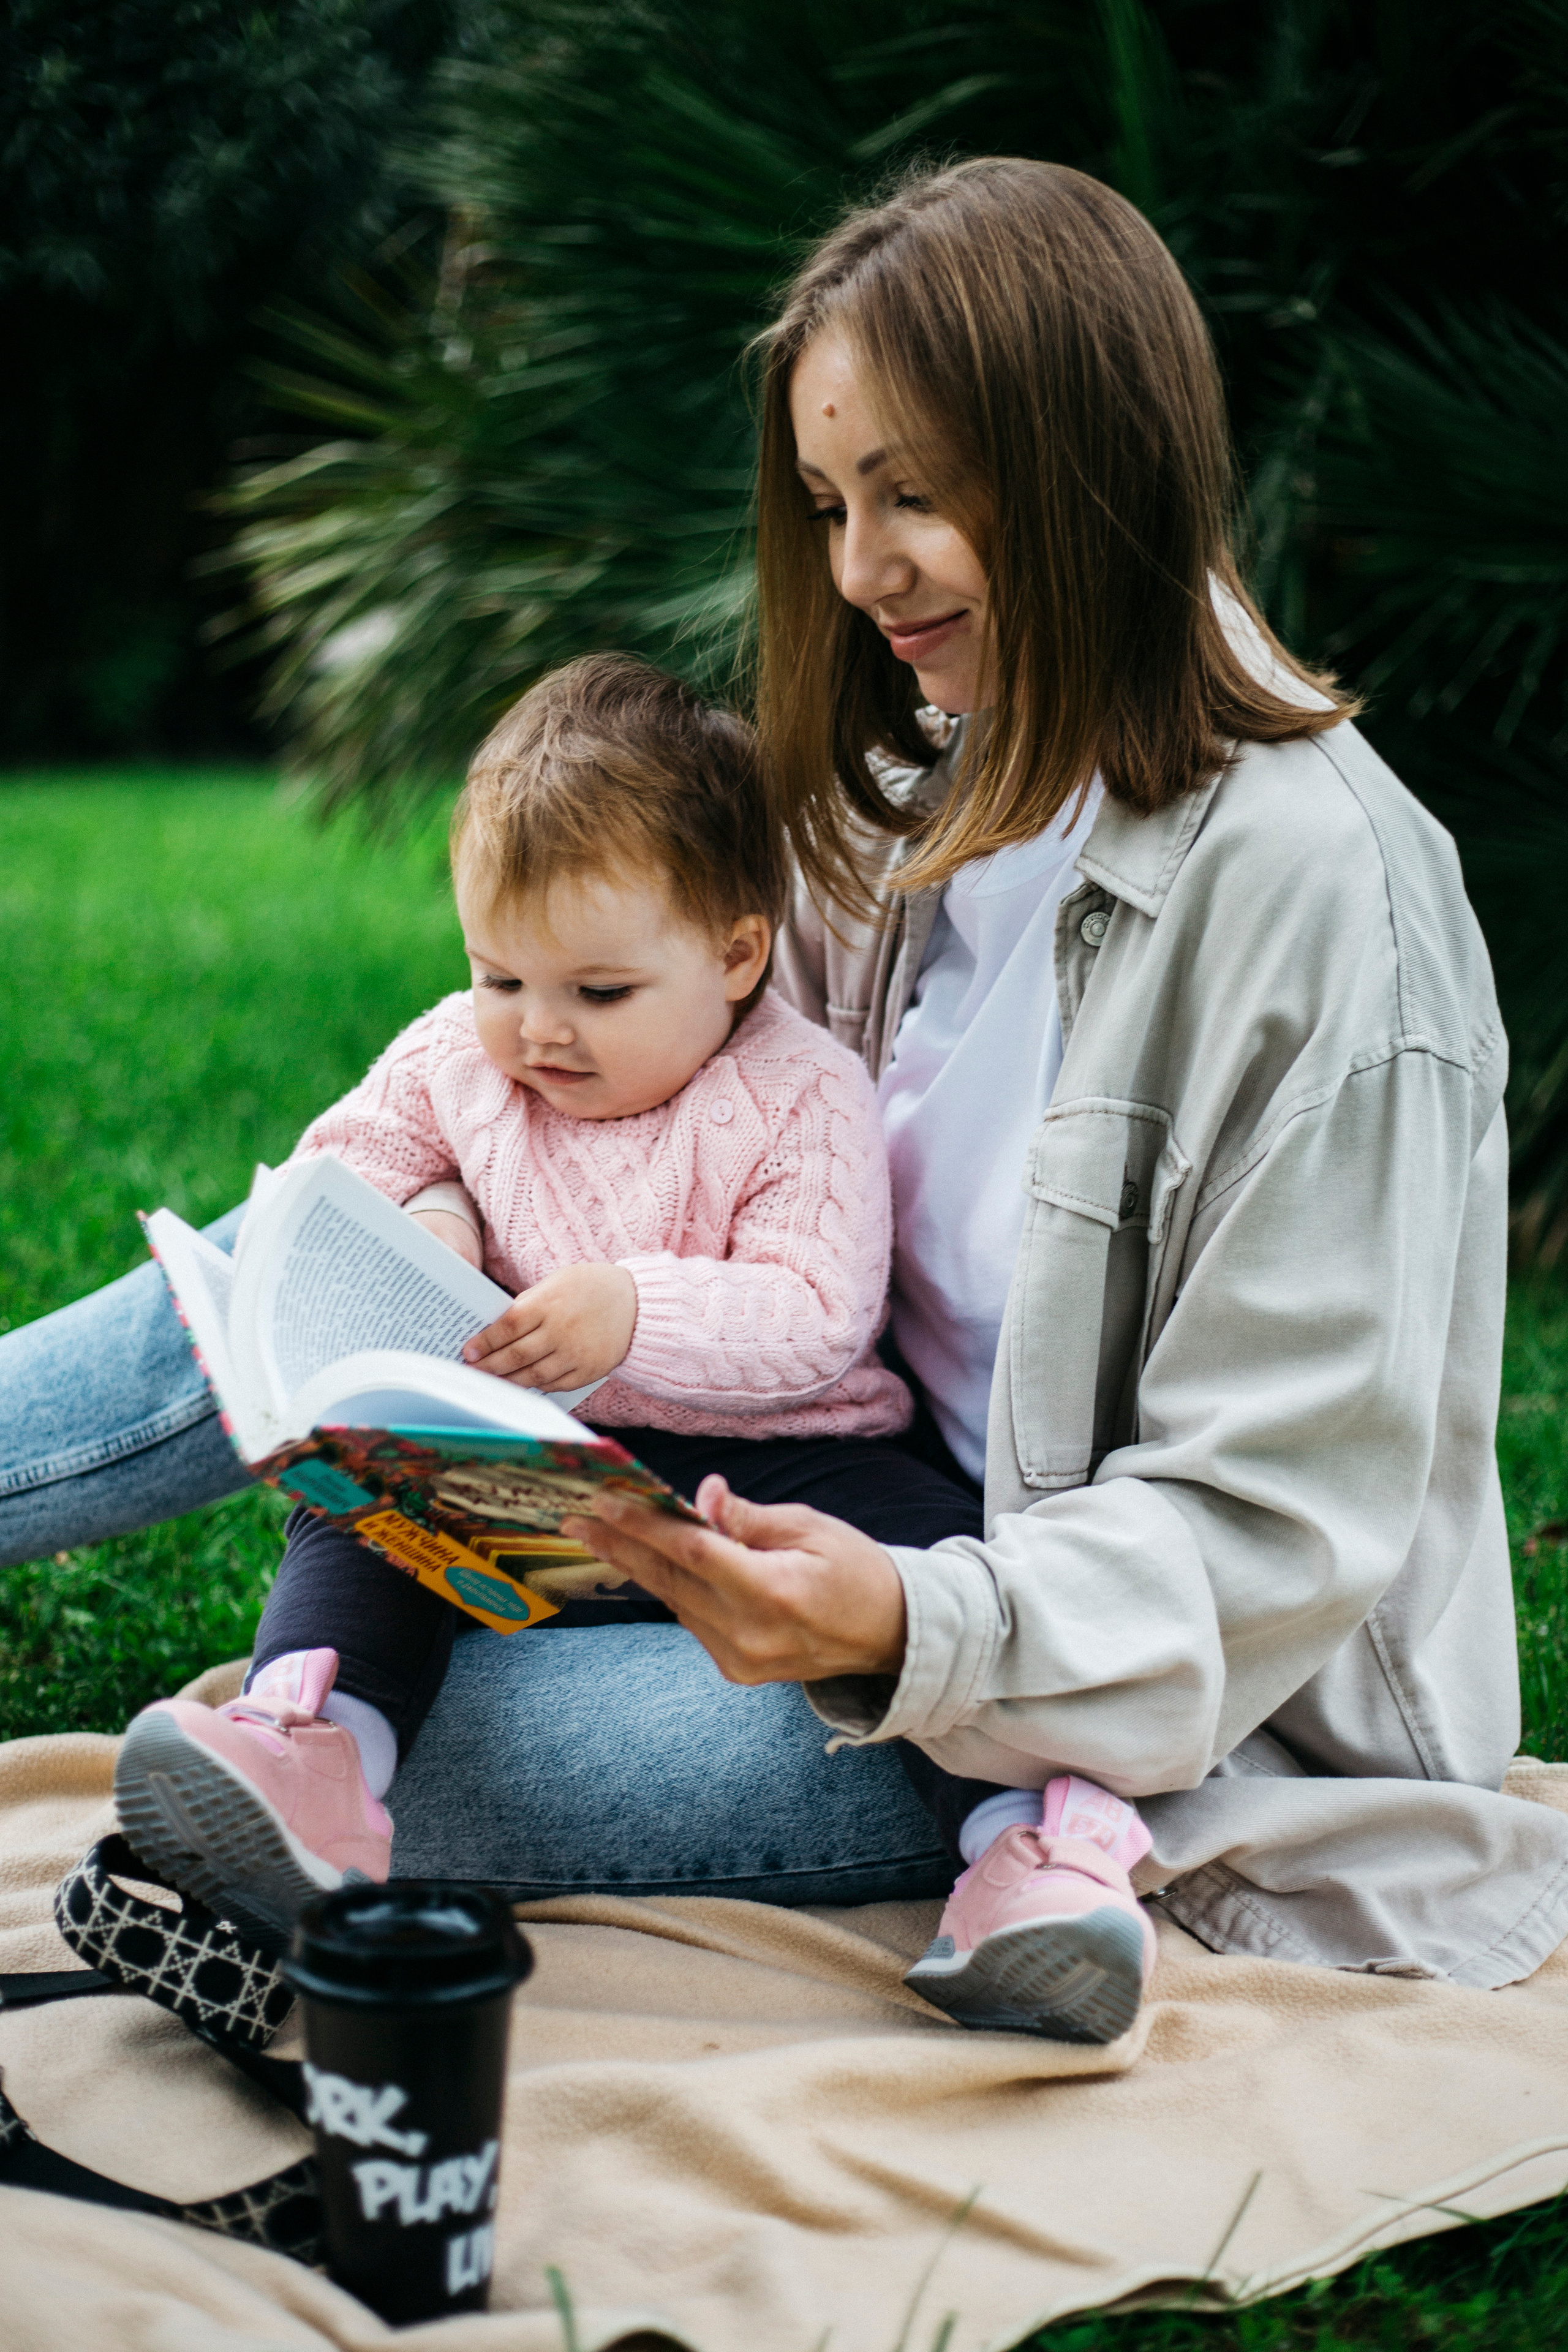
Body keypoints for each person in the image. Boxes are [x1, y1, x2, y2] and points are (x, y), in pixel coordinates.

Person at [4, 156, 1564, 2032]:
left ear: (1088, 466)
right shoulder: (913, 788)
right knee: (315, 1251)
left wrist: (907, 1624)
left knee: (340, 1739)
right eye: (833, 502)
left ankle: (353, 1744)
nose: (856, 569)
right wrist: (424, 1222)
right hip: (747, 1506)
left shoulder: (1331, 907)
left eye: (915, 496)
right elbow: (592, 1038)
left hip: (1067, 1680)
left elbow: (1279, 1531)